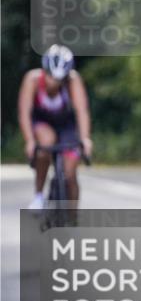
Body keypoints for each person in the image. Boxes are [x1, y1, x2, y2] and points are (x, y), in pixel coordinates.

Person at [17, 44, 92, 211]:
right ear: (45, 70)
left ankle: (72, 219)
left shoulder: (73, 80)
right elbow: (24, 112)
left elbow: (82, 111)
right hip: (42, 123)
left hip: (66, 125)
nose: (54, 82)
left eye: (60, 79)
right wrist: (29, 140)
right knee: (46, 143)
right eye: (51, 76)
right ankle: (38, 196)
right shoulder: (32, 79)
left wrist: (85, 139)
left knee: (70, 174)